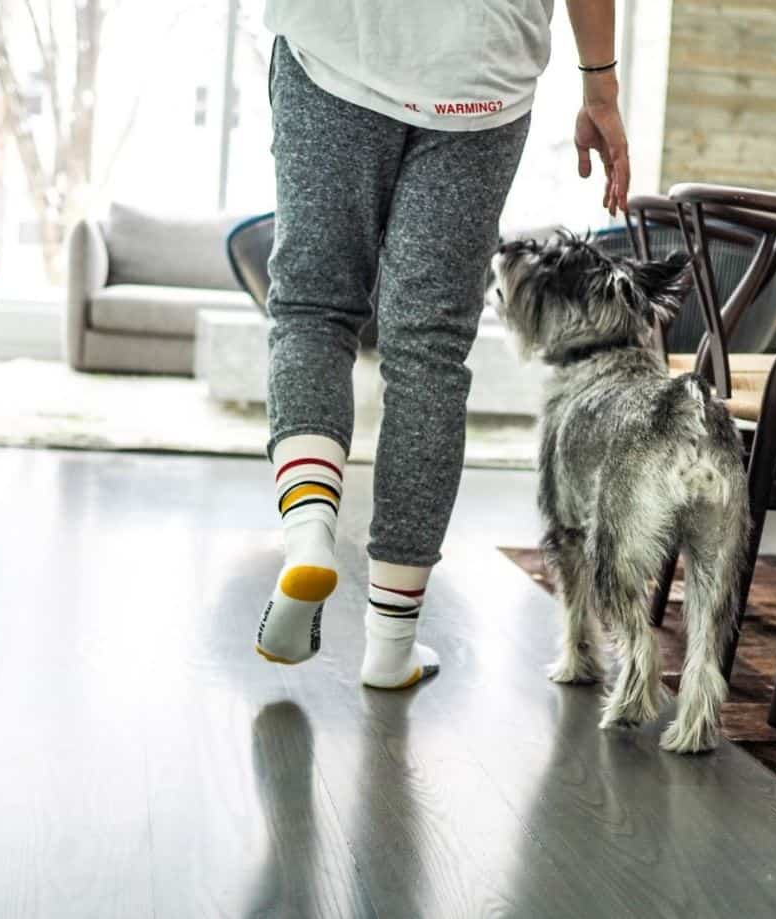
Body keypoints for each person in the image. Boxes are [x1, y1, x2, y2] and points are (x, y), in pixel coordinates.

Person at [254, 0, 632, 689]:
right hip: (480, 74)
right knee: (429, 351)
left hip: (337, 42)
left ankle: (308, 534)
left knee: (314, 311)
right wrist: (600, 90)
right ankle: (390, 645)